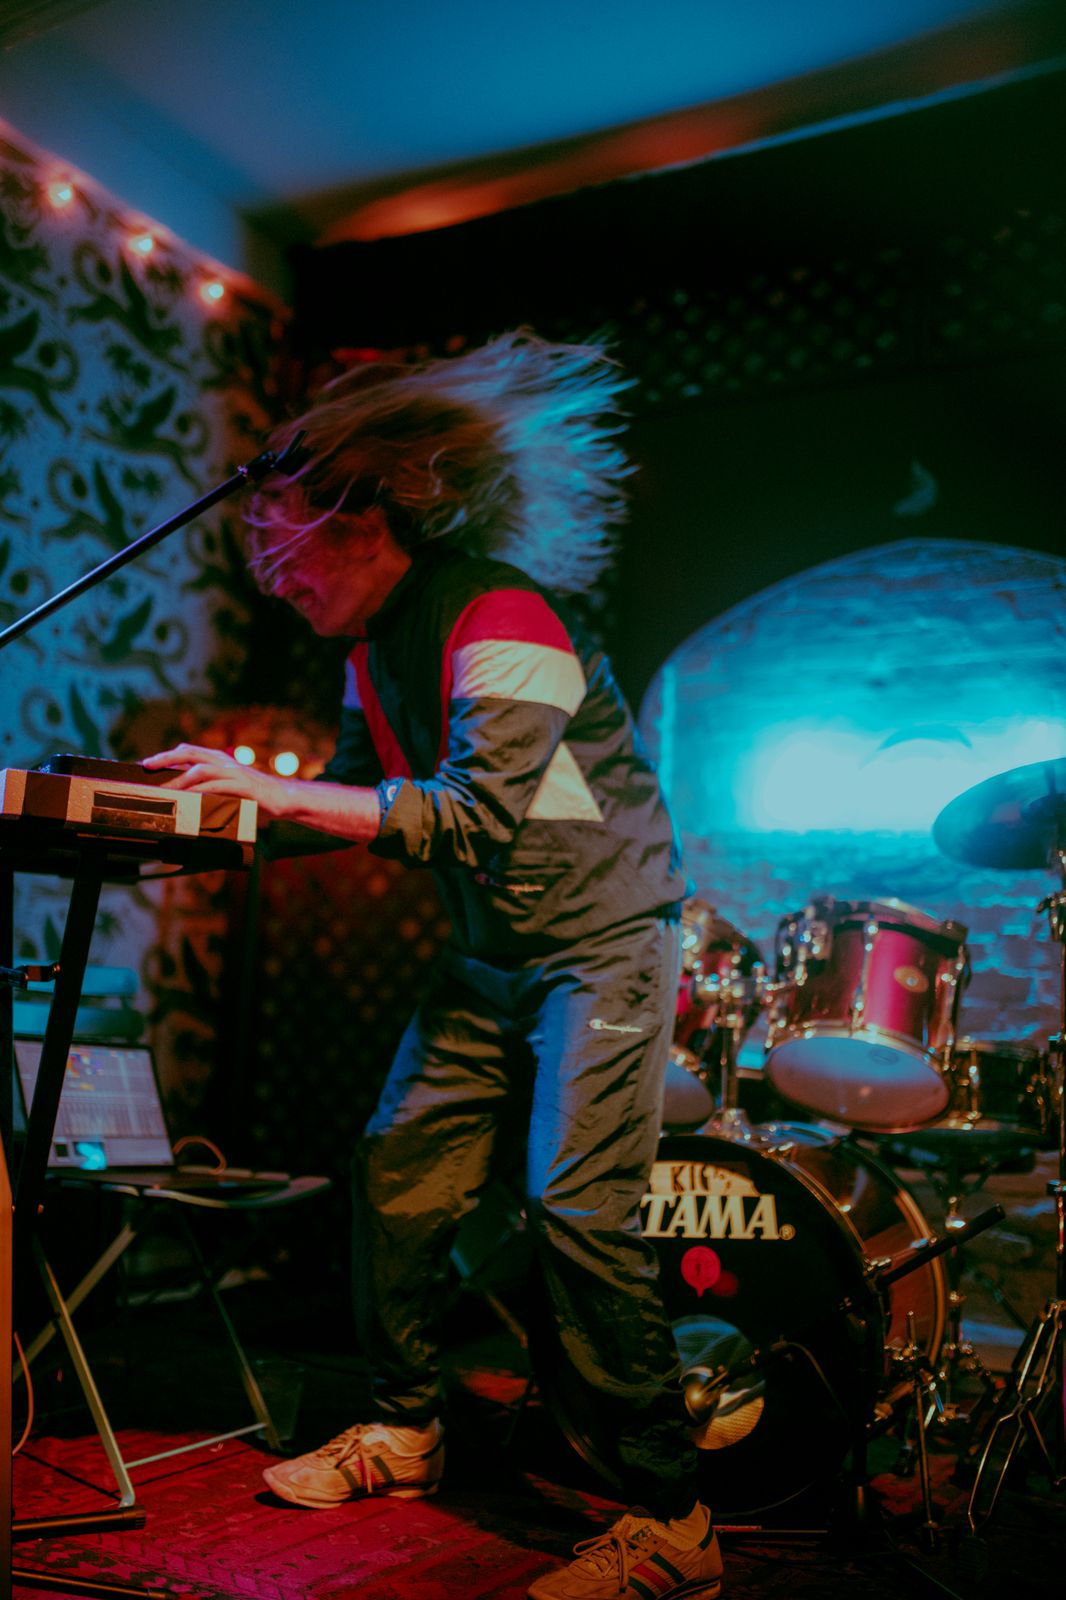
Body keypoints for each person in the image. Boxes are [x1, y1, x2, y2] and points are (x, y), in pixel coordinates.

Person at [145, 331, 721, 1600]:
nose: (270, 575)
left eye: (281, 543)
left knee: (577, 1209)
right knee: (399, 1172)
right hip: (490, 952)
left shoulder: (501, 613)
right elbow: (353, 797)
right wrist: (195, 827)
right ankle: (406, 1427)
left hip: (600, 945)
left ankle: (674, 1519)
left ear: (359, 522)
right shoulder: (372, 646)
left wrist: (271, 794)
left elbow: (466, 816)